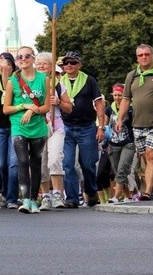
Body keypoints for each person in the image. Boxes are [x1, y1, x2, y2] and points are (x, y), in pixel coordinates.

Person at [3, 46, 50, 214]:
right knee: (22, 160)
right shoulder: (13, 81)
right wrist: (23, 105)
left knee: (36, 163)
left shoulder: (43, 78)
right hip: (19, 126)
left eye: (27, 56)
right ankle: (25, 200)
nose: (23, 59)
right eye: (20, 56)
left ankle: (34, 200)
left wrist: (32, 110)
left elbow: (46, 106)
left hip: (38, 127)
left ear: (33, 58)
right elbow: (6, 109)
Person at [116, 44, 153, 201]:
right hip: (137, 123)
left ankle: (148, 191)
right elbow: (126, 99)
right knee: (146, 158)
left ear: (152, 55)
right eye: (141, 55)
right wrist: (120, 118)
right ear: (137, 58)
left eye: (147, 54)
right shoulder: (132, 75)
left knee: (151, 156)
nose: (144, 57)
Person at [60, 51, 105, 208]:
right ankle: (72, 197)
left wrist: (101, 126)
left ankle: (91, 191)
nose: (69, 66)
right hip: (66, 127)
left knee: (88, 164)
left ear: (79, 64)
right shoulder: (59, 82)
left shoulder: (89, 80)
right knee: (67, 163)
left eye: (73, 63)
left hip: (86, 126)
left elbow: (99, 103)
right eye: (66, 63)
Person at [34, 53, 72, 210]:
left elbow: (69, 108)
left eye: (45, 63)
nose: (42, 66)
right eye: (39, 63)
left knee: (55, 158)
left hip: (56, 126)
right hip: (37, 126)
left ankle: (57, 194)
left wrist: (58, 102)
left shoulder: (58, 85)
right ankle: (45, 196)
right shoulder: (31, 84)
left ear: (51, 66)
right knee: (41, 162)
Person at [0, 52, 19, 209]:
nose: (4, 68)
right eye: (1, 66)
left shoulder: (17, 83)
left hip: (15, 127)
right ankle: (5, 192)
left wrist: (7, 73)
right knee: (0, 164)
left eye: (8, 65)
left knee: (13, 163)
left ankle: (12, 198)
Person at [106, 83, 136, 203]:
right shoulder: (109, 109)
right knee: (116, 170)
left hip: (128, 143)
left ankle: (116, 196)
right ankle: (129, 196)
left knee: (122, 169)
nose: (117, 98)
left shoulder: (130, 109)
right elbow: (104, 124)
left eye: (120, 95)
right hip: (113, 143)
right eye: (115, 95)